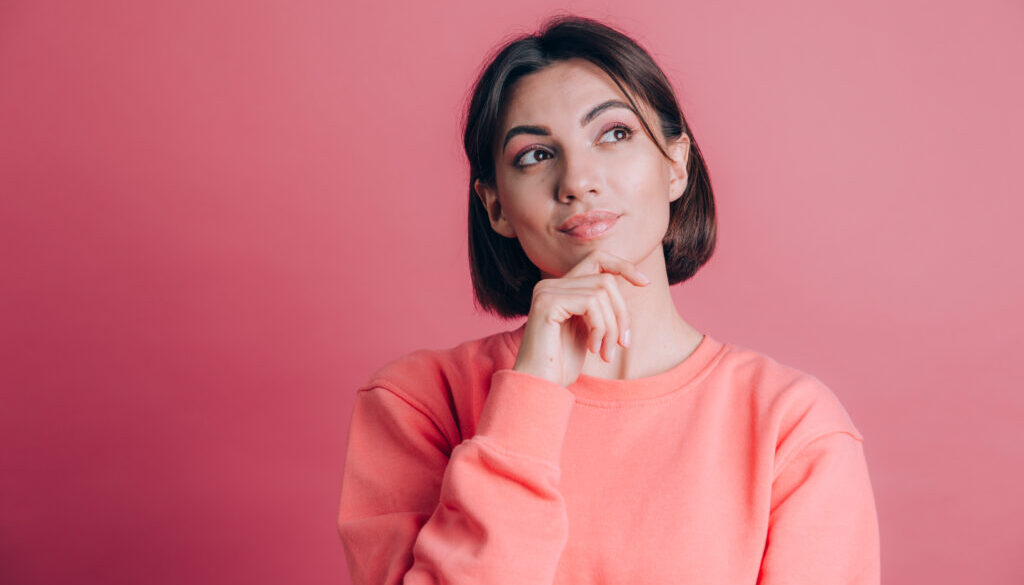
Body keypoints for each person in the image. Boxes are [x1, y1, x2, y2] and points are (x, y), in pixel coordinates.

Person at [336, 14, 880, 585]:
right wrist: (531, 397)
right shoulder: (417, 403)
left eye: (614, 134)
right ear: (495, 206)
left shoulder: (790, 425)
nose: (578, 179)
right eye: (535, 155)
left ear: (676, 165)